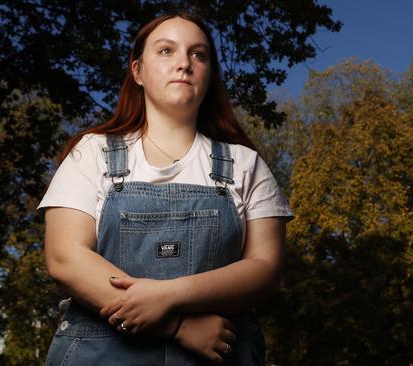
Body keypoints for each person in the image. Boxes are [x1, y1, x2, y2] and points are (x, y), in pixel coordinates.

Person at [38, 12, 293, 366]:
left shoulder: (246, 165)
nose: (184, 64)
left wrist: (169, 294)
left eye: (198, 54)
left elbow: (265, 268)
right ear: (137, 71)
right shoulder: (91, 153)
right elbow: (66, 258)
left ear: (209, 74)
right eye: (166, 51)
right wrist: (178, 326)